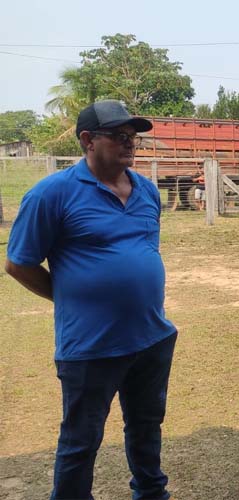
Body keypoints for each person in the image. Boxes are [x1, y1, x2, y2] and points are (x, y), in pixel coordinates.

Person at [5, 100, 178, 500]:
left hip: (151, 337)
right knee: (81, 441)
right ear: (87, 140)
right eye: (118, 136)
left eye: (132, 137)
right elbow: (19, 264)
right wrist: (71, 299)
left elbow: (144, 250)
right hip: (91, 346)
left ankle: (151, 494)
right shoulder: (52, 194)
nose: (129, 144)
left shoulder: (147, 191)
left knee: (146, 428)